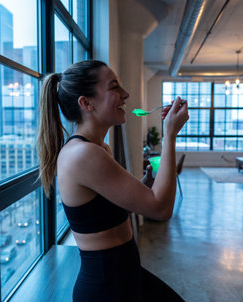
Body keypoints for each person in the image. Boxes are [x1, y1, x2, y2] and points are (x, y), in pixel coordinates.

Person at [37, 60, 188, 301]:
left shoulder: (99, 148)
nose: (125, 94)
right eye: (114, 87)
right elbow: (161, 209)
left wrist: (143, 185)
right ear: (86, 103)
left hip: (124, 275)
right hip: (107, 287)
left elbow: (108, 209)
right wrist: (169, 134)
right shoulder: (84, 154)